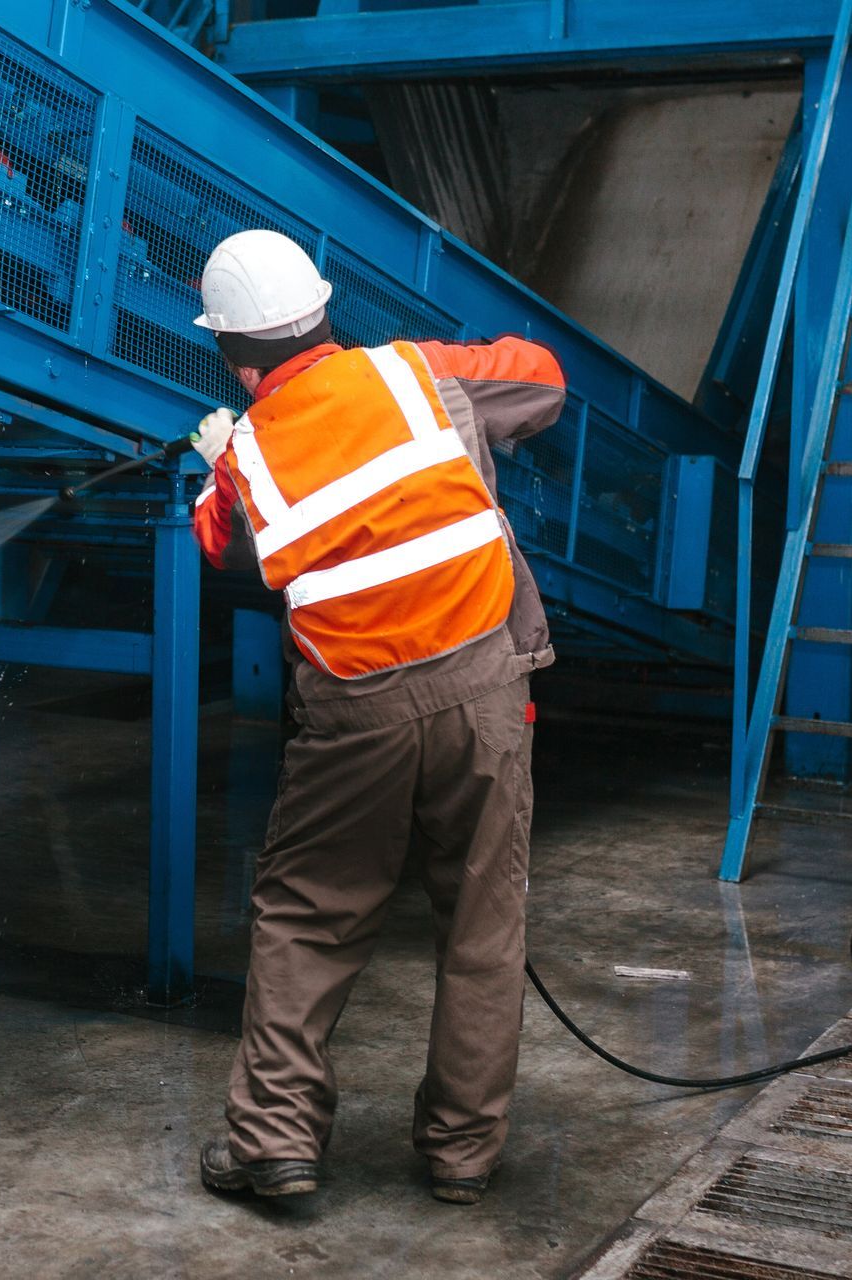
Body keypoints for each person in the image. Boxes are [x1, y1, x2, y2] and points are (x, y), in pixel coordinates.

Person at [188, 229, 565, 1206]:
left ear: (236, 356)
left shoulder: (249, 456)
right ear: (323, 310)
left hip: (357, 711)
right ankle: (462, 1155)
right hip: (483, 683)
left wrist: (221, 452)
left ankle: (274, 1145)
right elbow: (543, 378)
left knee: (310, 916)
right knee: (483, 924)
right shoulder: (411, 374)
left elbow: (220, 547)